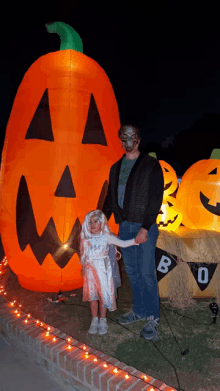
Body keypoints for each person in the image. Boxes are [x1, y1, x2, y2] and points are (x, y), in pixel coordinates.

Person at [102, 124, 164, 340]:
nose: (128, 140)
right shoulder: (115, 167)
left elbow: (156, 198)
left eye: (132, 136)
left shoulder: (150, 165)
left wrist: (146, 226)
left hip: (143, 226)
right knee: (132, 271)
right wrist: (101, 218)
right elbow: (111, 197)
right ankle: (139, 310)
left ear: (138, 139)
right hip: (125, 226)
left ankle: (152, 318)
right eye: (124, 136)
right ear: (120, 139)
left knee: (147, 273)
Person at [79, 209, 139, 335]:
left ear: (102, 223)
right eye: (90, 223)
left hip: (103, 272)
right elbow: (84, 255)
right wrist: (84, 267)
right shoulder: (86, 238)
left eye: (96, 221)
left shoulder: (107, 237)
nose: (93, 225)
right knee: (92, 297)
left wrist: (135, 241)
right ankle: (94, 319)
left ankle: (103, 319)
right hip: (90, 274)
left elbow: (122, 243)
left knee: (103, 295)